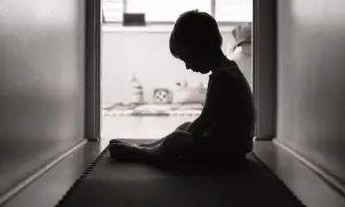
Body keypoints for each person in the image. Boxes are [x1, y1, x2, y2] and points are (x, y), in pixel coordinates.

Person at [108, 10, 255, 171]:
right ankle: (148, 147)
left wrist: (181, 141)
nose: (187, 67)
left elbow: (204, 121)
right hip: (230, 146)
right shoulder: (228, 70)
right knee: (184, 126)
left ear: (201, 49)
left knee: (179, 138)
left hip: (229, 153)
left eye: (188, 59)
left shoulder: (222, 78)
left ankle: (145, 153)